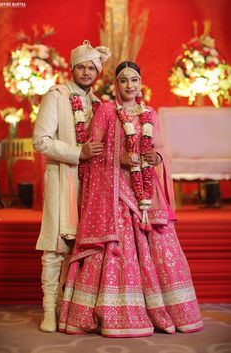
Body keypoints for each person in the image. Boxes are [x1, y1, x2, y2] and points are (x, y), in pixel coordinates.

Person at [59, 61, 203, 337]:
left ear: (141, 83)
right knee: (117, 248)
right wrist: (119, 158)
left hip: (145, 197)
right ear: (116, 84)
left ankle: (162, 309)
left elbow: (161, 150)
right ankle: (118, 312)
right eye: (123, 80)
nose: (129, 86)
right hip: (114, 194)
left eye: (134, 80)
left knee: (159, 243)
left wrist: (155, 157)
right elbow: (93, 153)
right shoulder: (105, 112)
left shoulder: (150, 114)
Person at [33, 40, 110, 333]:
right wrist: (79, 153)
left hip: (91, 185)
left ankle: (69, 305)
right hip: (62, 178)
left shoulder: (99, 104)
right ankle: (49, 310)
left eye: (92, 67)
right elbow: (41, 141)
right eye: (82, 66)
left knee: (80, 246)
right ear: (72, 68)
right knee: (55, 246)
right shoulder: (56, 95)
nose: (87, 72)